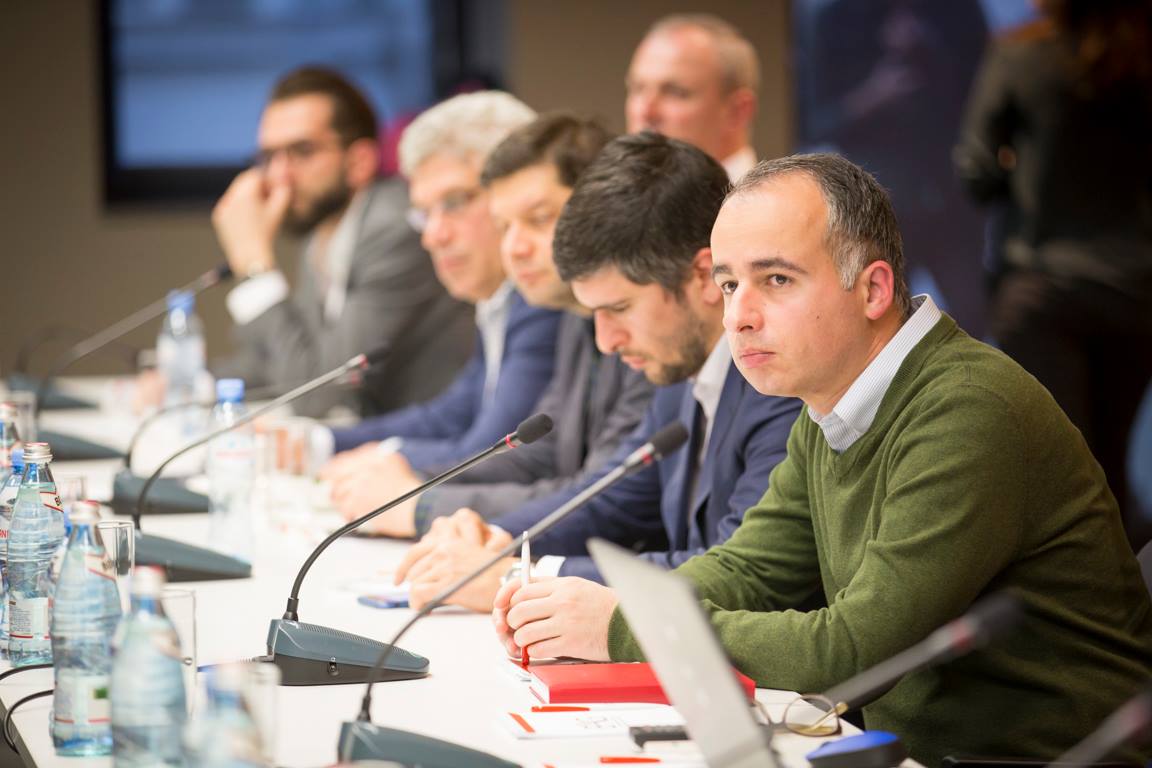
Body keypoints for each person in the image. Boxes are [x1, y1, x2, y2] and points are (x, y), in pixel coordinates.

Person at [494, 153, 1152, 766]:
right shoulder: (831, 407)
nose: (738, 317)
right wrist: (598, 609)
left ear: (872, 290)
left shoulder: (968, 409)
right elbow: (749, 569)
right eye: (729, 284)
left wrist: (624, 626)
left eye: (776, 280)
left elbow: (854, 648)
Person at [397, 133, 800, 611]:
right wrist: (498, 539)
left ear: (703, 276)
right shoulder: (679, 375)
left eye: (619, 309)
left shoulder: (778, 387)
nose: (606, 341)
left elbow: (737, 573)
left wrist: (521, 576)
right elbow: (613, 500)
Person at [348, 113, 653, 539]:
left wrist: (421, 506)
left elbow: (610, 501)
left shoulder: (634, 322)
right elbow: (537, 453)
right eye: (504, 226)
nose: (514, 248)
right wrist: (411, 488)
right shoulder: (573, 317)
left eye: (539, 218)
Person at [315, 92, 563, 534]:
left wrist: (396, 472)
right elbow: (453, 413)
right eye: (424, 213)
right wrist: (323, 442)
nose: (433, 235)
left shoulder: (544, 302)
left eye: (454, 202)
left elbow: (497, 449)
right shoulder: (498, 300)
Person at [955, 0, 1152, 549]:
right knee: (1107, 466)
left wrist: (1019, 167)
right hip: (1137, 292)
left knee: (1059, 475)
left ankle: (1069, 598)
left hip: (1042, 292)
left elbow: (976, 171)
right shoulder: (1140, 59)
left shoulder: (1022, 55)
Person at [211, 66, 473, 417]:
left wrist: (254, 264)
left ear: (359, 162)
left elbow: (318, 397)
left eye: (302, 151)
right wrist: (191, 381)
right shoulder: (322, 235)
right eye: (269, 157)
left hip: (435, 441)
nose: (279, 176)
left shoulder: (394, 230)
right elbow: (278, 359)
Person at [626, 14, 759, 180]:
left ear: (738, 111)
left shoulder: (777, 197)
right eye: (638, 89)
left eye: (675, 92)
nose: (645, 112)